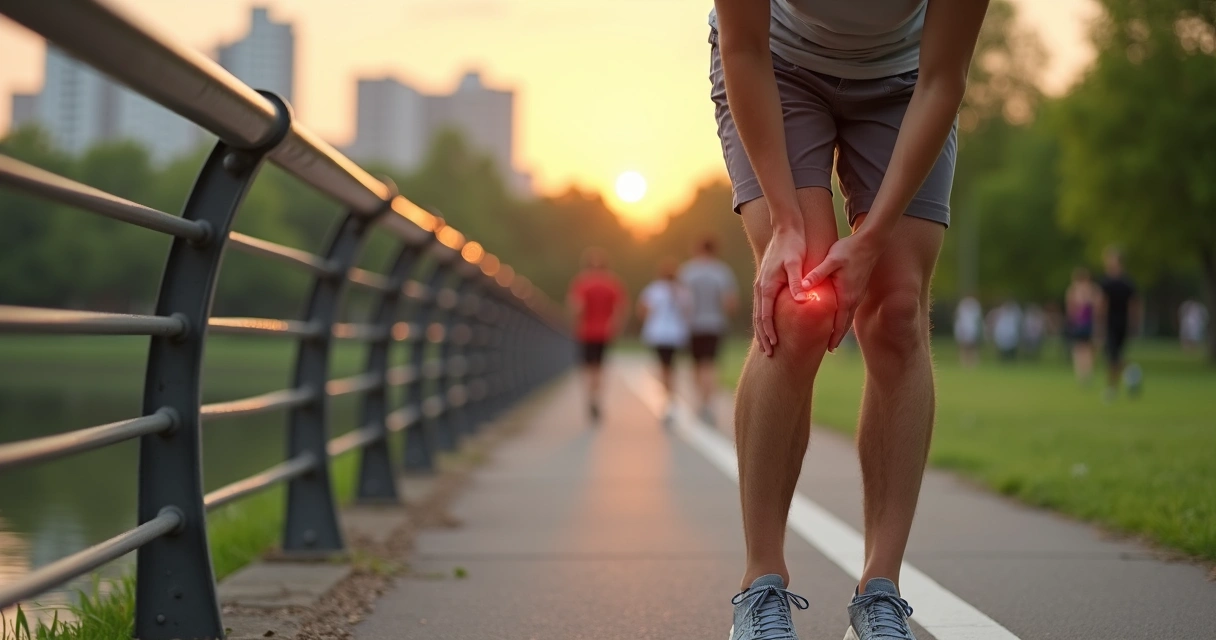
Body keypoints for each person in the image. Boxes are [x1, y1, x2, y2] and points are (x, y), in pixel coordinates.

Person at [708, 0, 990, 638]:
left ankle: (880, 592)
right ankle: (760, 587)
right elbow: (744, 47)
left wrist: (871, 241)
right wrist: (783, 219)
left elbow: (944, 78)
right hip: (775, 63)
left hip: (906, 80)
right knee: (795, 300)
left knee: (897, 312)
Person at [680, 234, 740, 424]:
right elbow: (730, 301)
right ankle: (708, 403)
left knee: (697, 365)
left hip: (693, 325)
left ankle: (700, 401)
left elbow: (682, 300)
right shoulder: (722, 272)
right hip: (714, 324)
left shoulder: (688, 271)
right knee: (710, 364)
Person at [566, 247, 627, 424]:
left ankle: (590, 397)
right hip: (604, 332)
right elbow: (619, 310)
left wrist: (574, 322)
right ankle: (597, 397)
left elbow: (577, 307)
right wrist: (616, 328)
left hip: (585, 332)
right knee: (599, 367)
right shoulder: (612, 283)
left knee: (587, 368)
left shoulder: (582, 283)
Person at [638, 258, 691, 426]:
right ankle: (671, 400)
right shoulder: (682, 291)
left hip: (659, 334)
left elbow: (643, 309)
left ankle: (668, 403)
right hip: (676, 334)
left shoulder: (655, 290)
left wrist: (650, 321)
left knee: (664, 368)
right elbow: (688, 312)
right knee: (671, 367)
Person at [1097, 247, 1139, 401]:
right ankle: (1130, 373)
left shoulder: (1113, 282)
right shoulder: (1121, 281)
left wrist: (1099, 324)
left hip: (1116, 323)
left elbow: (1133, 304)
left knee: (1113, 356)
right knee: (1114, 356)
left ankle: (1113, 387)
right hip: (1116, 323)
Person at [1065, 268, 1098, 384]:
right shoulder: (1092, 290)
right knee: (1087, 350)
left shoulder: (1073, 291)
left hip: (1079, 323)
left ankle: (1081, 375)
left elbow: (1070, 309)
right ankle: (1087, 374)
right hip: (1088, 323)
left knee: (1079, 350)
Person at [952, 296, 983, 368]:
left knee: (972, 346)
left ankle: (973, 362)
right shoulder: (962, 305)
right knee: (963, 346)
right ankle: (964, 362)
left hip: (971, 328)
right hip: (963, 328)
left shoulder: (975, 305)